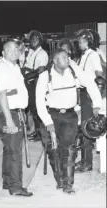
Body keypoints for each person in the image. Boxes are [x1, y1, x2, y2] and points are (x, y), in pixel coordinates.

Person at [36, 49, 101, 194]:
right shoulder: (45, 76)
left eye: (68, 57)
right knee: (54, 151)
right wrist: (48, 122)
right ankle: (59, 179)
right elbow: (39, 102)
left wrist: (96, 103)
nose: (68, 59)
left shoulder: (74, 71)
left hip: (70, 116)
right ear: (55, 60)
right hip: (52, 115)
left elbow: (90, 84)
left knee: (69, 149)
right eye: (64, 57)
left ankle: (68, 184)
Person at [0, 40, 33, 197]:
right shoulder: (2, 69)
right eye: (11, 50)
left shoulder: (14, 67)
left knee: (9, 149)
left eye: (17, 50)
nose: (16, 52)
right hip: (9, 114)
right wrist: (9, 120)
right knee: (15, 151)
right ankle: (16, 187)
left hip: (17, 112)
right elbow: (2, 95)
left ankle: (8, 181)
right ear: (4, 52)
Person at [75, 29, 104, 173]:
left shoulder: (93, 55)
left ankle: (88, 163)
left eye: (83, 41)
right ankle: (84, 159)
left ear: (90, 42)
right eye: (79, 41)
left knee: (87, 127)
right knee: (82, 127)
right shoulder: (83, 55)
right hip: (82, 93)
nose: (80, 43)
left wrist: (95, 100)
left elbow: (99, 77)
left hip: (88, 95)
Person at [22, 30, 49, 142]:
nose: (32, 41)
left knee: (37, 109)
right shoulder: (32, 52)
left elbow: (41, 69)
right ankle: (36, 131)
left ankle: (41, 133)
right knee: (32, 109)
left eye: (35, 39)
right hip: (29, 82)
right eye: (31, 39)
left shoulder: (42, 53)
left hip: (36, 82)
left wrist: (27, 77)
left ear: (40, 40)